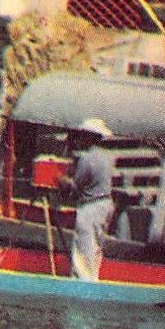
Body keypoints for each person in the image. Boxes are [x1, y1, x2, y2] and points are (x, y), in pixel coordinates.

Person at [59, 117, 113, 281]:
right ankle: (92, 279)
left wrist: (61, 180)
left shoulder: (87, 159)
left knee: (84, 249)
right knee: (96, 248)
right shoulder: (106, 156)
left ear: (90, 137)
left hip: (91, 206)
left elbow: (76, 187)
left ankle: (83, 284)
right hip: (105, 204)